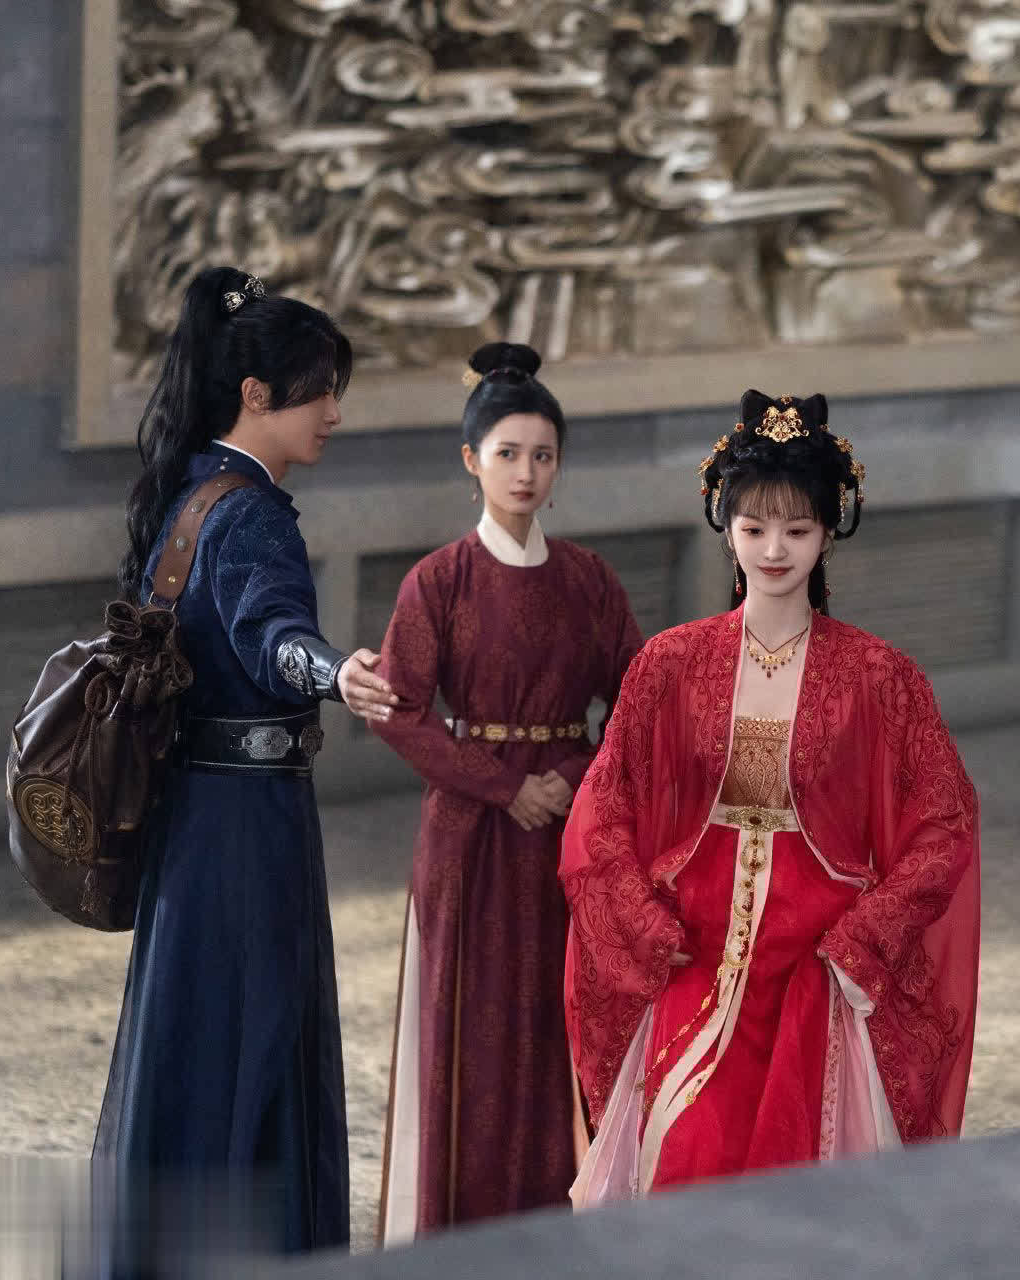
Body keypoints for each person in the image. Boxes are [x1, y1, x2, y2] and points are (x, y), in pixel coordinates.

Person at [563, 390, 982, 1205]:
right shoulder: (670, 664)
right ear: (725, 527)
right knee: (685, 1150)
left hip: (816, 964)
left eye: (797, 529)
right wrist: (643, 922)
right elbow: (602, 811)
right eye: (754, 528)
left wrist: (864, 937)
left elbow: (944, 827)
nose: (774, 548)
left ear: (830, 531)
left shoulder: (878, 675)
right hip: (694, 948)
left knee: (805, 1185)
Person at [94, 266, 398, 1272]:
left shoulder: (188, 495)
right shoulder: (252, 512)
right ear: (258, 393)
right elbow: (273, 635)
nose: (334, 413)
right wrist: (337, 671)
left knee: (193, 1047)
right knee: (253, 1046)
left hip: (192, 822)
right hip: (246, 828)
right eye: (319, 391)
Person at [370, 343, 644, 1242]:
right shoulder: (439, 581)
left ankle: (562, 1226)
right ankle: (463, 1236)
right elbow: (399, 710)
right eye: (508, 453)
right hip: (469, 836)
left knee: (563, 1022)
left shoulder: (589, 581)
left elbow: (639, 698)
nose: (526, 472)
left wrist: (573, 775)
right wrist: (502, 785)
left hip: (569, 829)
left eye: (543, 455)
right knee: (471, 1029)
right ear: (471, 460)